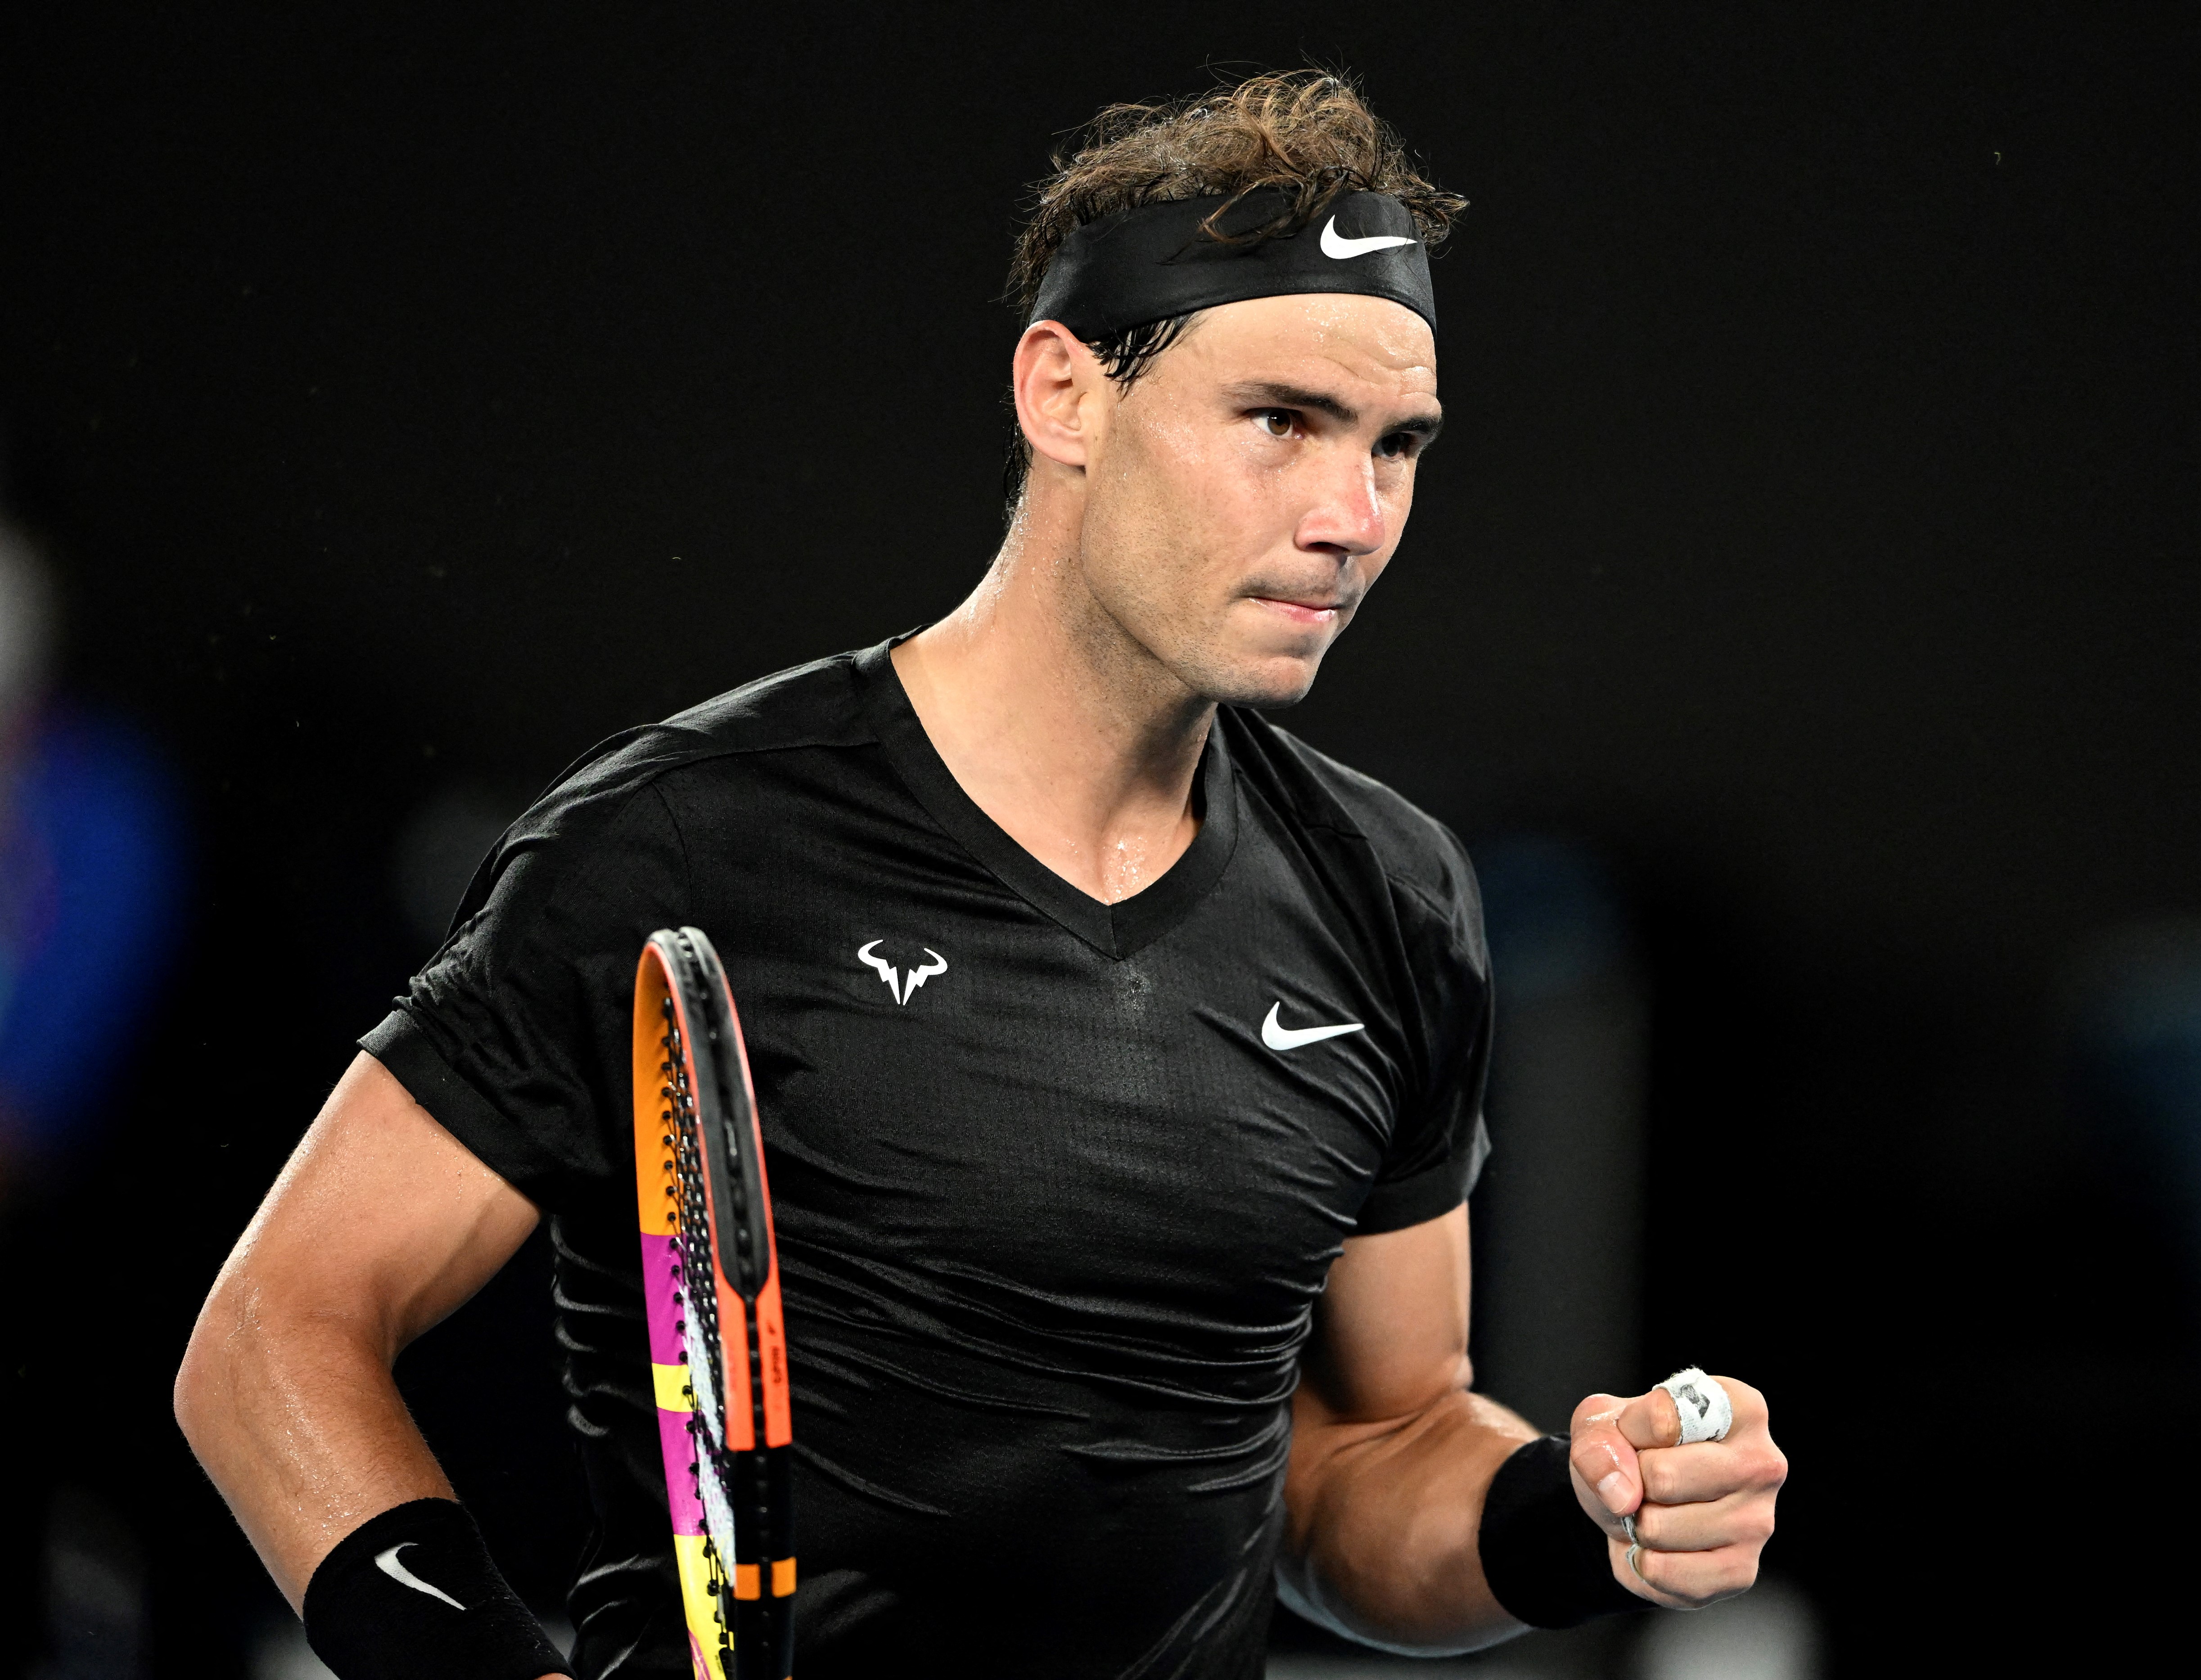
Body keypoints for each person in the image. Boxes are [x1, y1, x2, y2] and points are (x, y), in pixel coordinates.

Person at [174, 72, 1786, 1680]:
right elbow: (271, 1339)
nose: (1351, 517)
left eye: (1397, 447)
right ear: (1063, 393)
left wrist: (1579, 1522)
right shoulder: (685, 839)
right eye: (1280, 422)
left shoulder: (1394, 893)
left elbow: (1370, 1455)